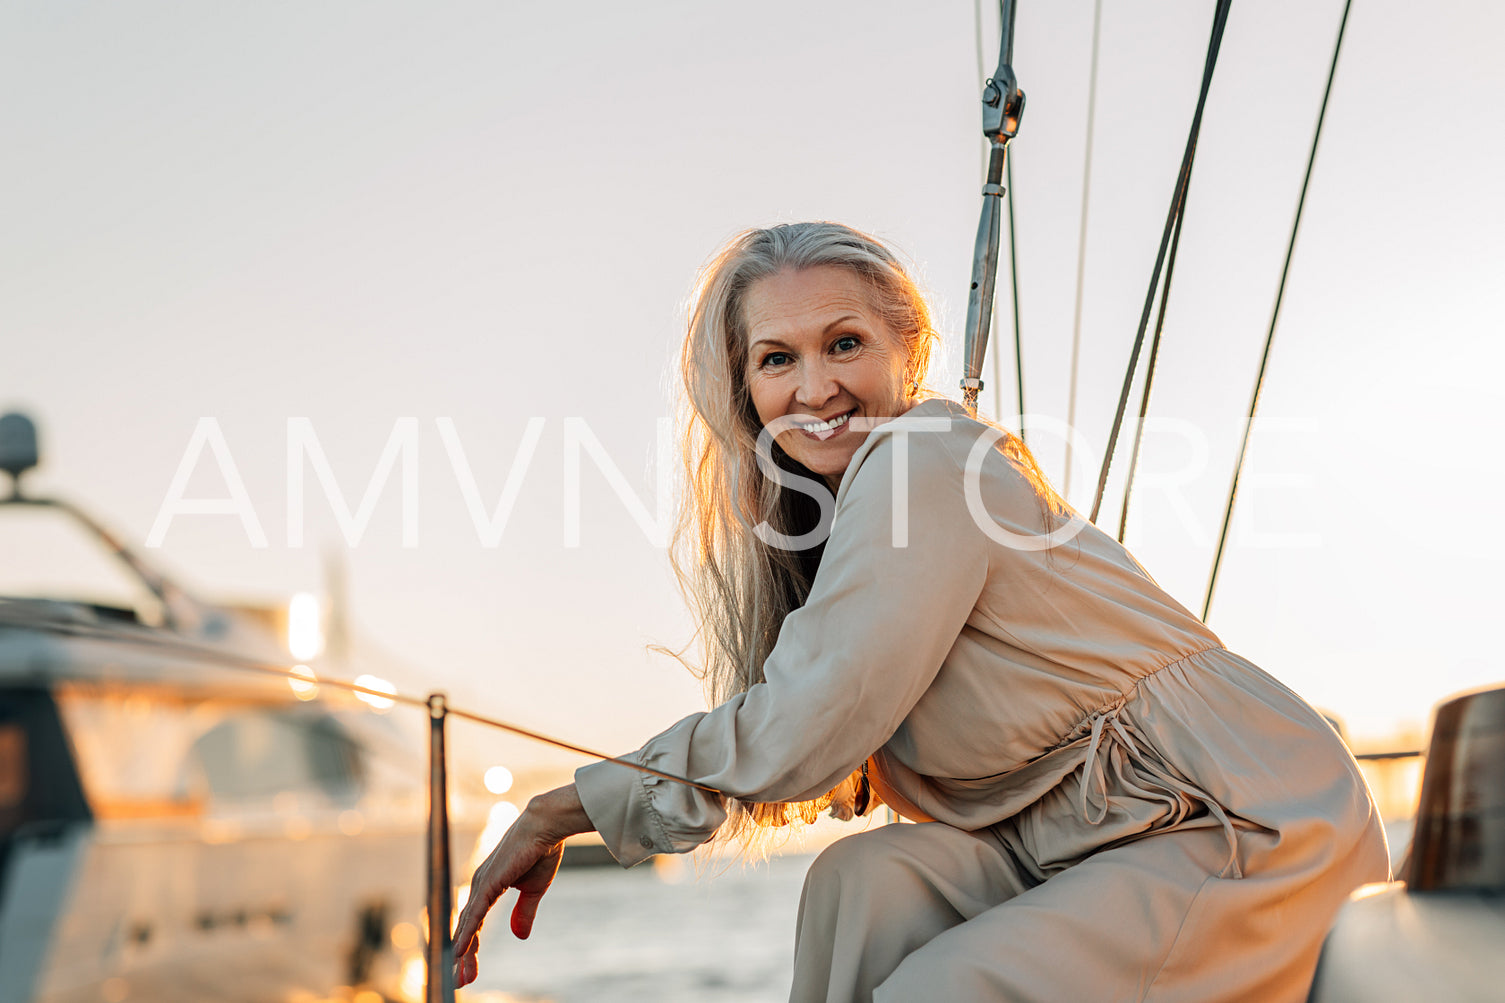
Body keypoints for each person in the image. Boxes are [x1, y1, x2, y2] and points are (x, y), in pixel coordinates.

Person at [453, 222, 1389, 1001]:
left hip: (1240, 824)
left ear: (910, 348)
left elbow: (806, 724)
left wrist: (558, 809)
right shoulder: (837, 522)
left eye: (845, 343)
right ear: (743, 389)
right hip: (1083, 835)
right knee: (857, 887)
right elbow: (812, 742)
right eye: (777, 359)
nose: (814, 388)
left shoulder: (924, 458)